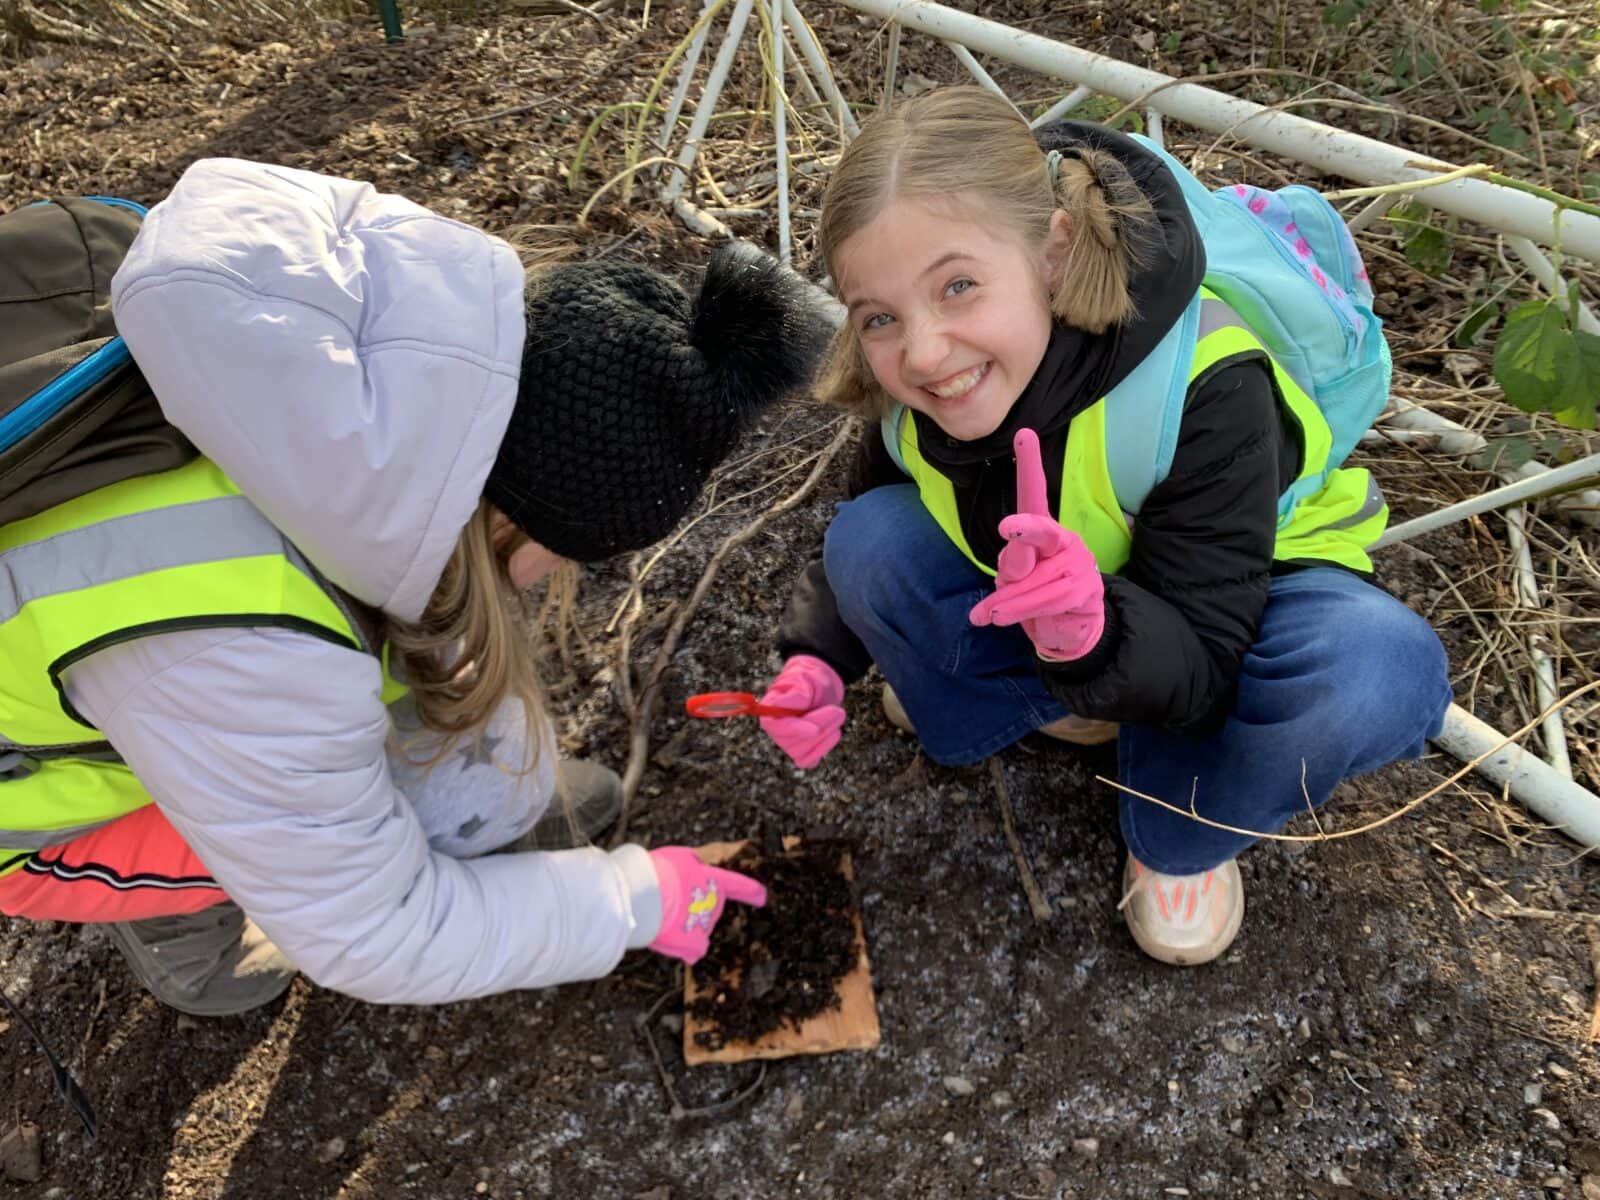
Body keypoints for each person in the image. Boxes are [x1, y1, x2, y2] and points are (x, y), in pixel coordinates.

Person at [0, 157, 830, 1014]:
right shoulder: (243, 649)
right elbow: (379, 931)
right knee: (283, 830)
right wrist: (630, 900)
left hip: (169, 672)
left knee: (443, 751)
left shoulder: (366, 379)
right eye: (568, 553)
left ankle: (412, 814)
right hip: (35, 798)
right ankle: (182, 931)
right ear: (512, 523)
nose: (563, 577)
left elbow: (397, 586)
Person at [755, 87, 1452, 966]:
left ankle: (1182, 825)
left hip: (1241, 603)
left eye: (959, 286)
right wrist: (818, 658)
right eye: (880, 318)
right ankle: (1056, 704)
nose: (925, 353)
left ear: (1053, 251)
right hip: (1077, 615)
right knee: (870, 540)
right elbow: (867, 509)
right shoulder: (921, 391)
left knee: (1378, 672)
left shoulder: (1208, 383)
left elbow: (1207, 655)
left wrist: (1093, 632)